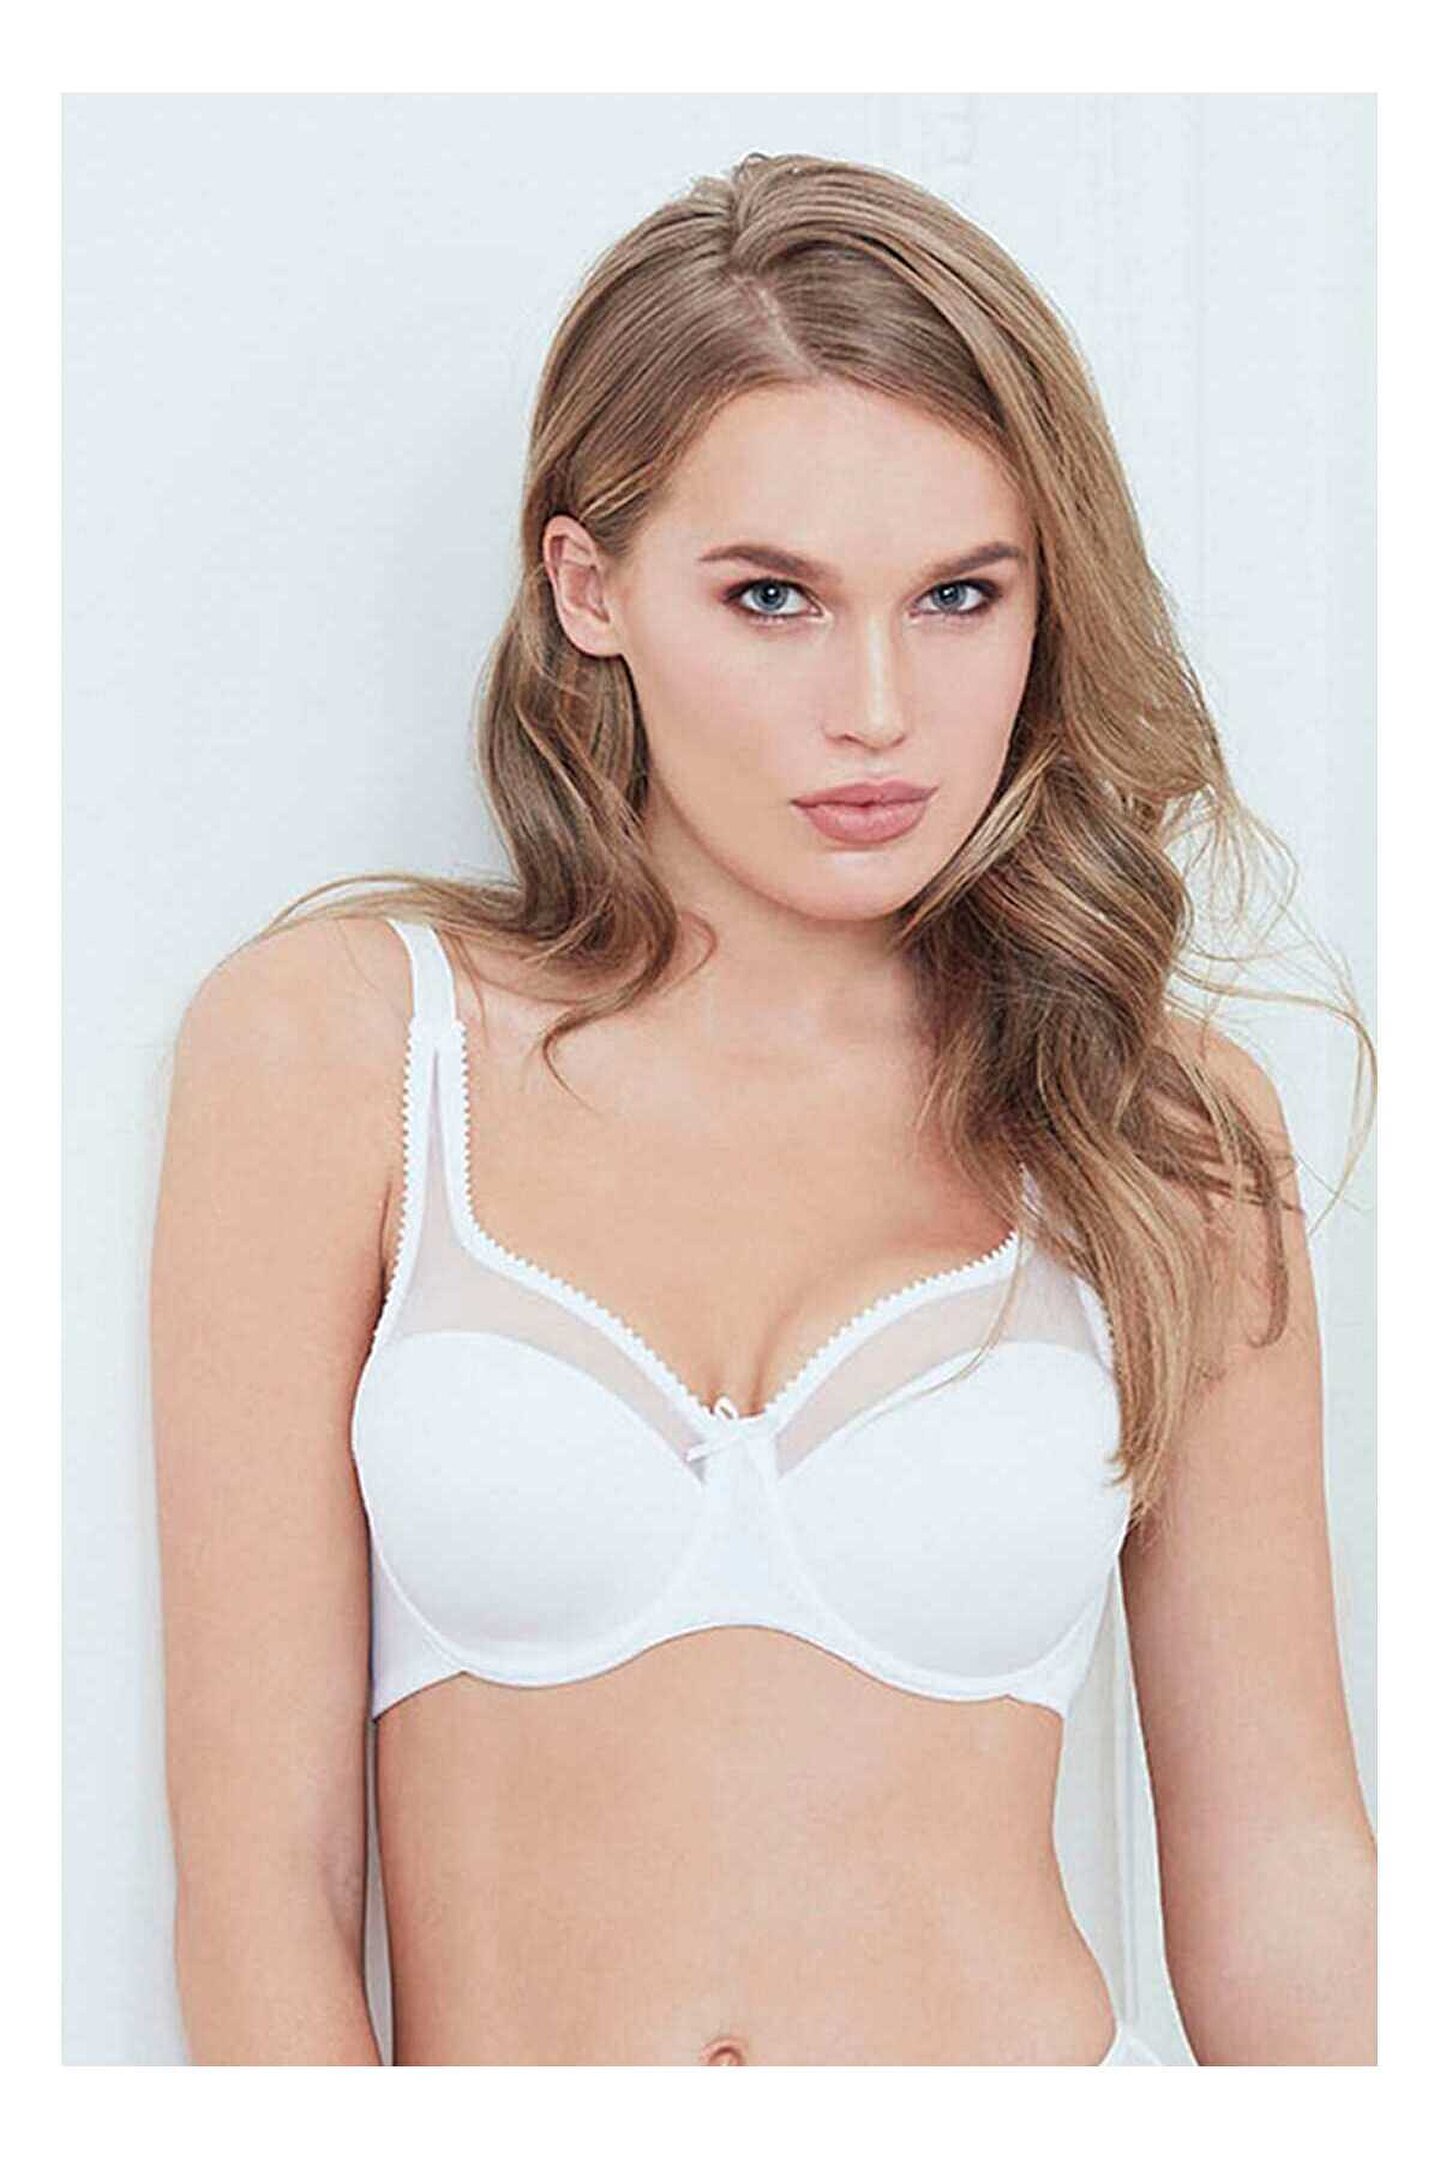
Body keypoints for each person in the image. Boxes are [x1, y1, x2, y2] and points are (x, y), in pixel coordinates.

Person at [148, 151, 1377, 2066]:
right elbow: (259, 1896)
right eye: (774, 596)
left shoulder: (1156, 1127)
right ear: (591, 588)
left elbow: (1286, 1875)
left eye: (958, 595)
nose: (877, 706)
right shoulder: (342, 1052)